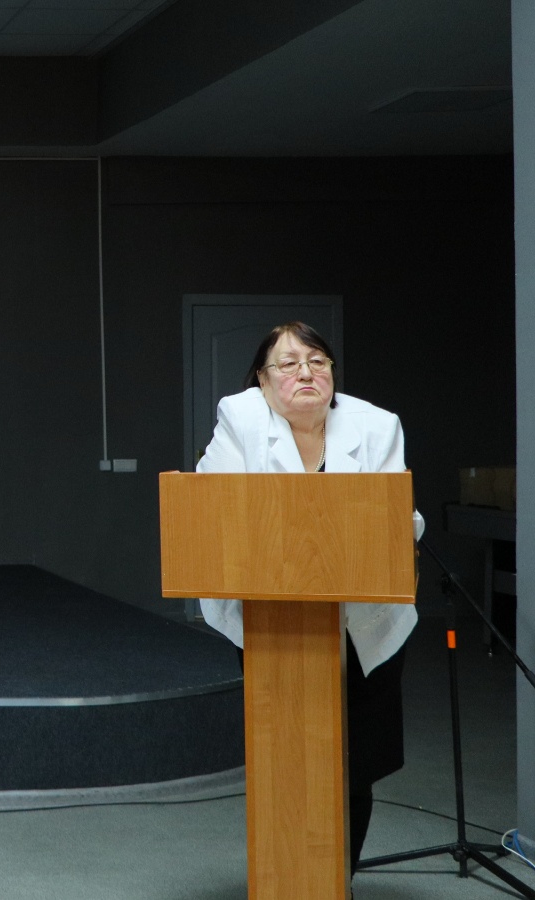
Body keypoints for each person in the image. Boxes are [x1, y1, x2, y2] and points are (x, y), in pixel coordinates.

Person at [197, 321, 421, 877]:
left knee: (354, 762)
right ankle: (285, 877)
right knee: (285, 757)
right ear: (262, 379)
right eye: (289, 363)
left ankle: (339, 878)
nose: (305, 372)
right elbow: (211, 508)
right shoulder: (240, 417)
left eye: (318, 361)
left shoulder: (376, 424)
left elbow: (395, 517)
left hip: (364, 624)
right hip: (273, 623)